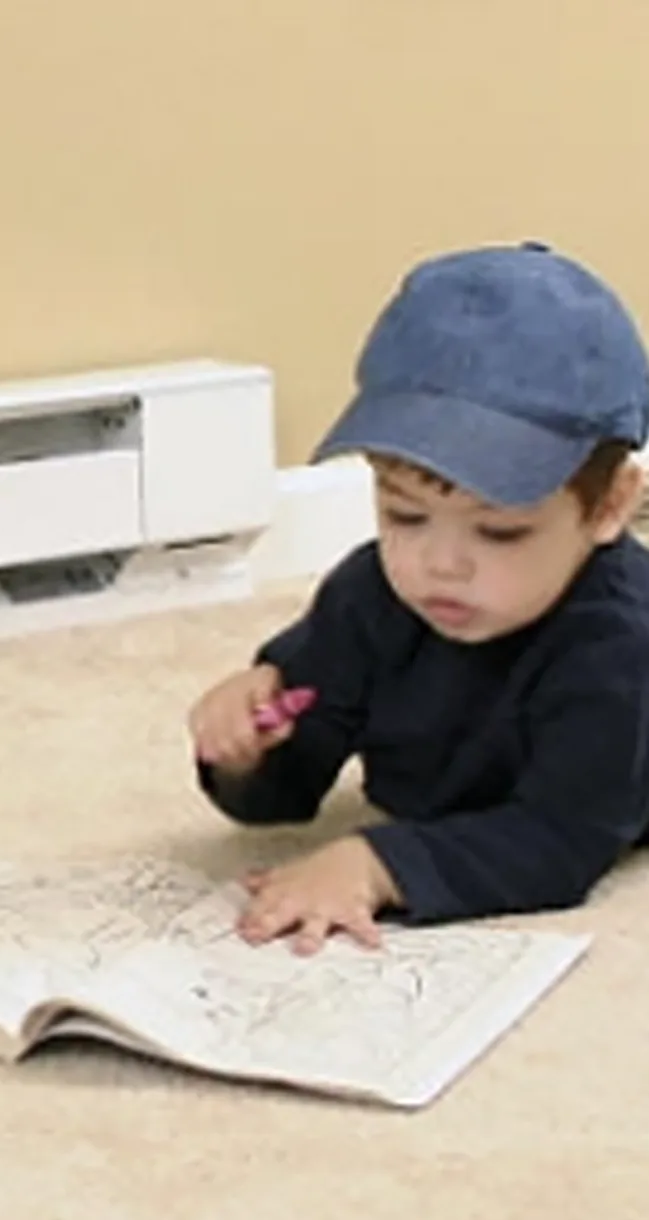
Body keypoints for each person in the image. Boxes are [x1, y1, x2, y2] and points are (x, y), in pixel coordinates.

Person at [187, 241, 649, 955]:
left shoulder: (615, 645)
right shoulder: (370, 596)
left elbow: (560, 841)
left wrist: (378, 863)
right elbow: (288, 793)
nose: (439, 564)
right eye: (402, 515)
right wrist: (244, 753)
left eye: (499, 532)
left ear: (609, 507)